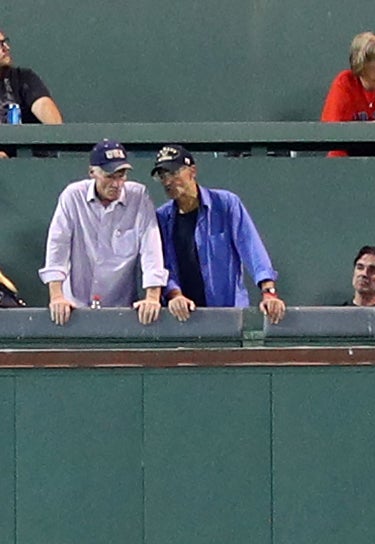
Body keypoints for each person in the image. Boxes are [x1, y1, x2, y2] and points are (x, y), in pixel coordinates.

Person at [150, 144, 285, 323]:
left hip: (229, 317)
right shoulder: (162, 217)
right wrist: (175, 296)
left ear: (192, 171)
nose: (167, 181)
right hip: (183, 318)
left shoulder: (226, 204)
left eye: (174, 173)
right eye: (163, 175)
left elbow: (252, 248)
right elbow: (163, 264)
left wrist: (269, 292)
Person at [40, 140, 166, 325]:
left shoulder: (138, 196)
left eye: (121, 175)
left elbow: (151, 248)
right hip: (74, 308)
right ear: (92, 172)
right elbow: (57, 246)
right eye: (109, 176)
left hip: (122, 309)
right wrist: (57, 297)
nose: (117, 183)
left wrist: (153, 297)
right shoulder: (72, 196)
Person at [0, 26, 63, 159]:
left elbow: (50, 117)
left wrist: (56, 133)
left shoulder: (23, 77)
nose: (6, 48)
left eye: (5, 42)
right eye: (0, 45)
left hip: (29, 165)